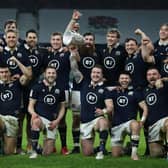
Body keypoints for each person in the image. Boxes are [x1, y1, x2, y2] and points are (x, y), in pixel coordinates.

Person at [73, 64, 113, 159]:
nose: (95, 74)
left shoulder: (105, 90)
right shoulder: (84, 83)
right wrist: (72, 54)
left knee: (103, 122)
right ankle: (96, 148)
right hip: (85, 122)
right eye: (94, 72)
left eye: (98, 73)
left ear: (102, 75)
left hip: (97, 120)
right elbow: (74, 69)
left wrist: (103, 111)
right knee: (87, 153)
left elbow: (110, 107)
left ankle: (101, 150)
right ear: (91, 74)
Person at [18, 29, 46, 154]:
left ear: (37, 39)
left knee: (32, 117)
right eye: (29, 37)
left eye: (34, 37)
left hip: (34, 90)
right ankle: (18, 146)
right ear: (26, 38)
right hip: (20, 89)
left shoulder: (40, 53)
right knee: (20, 118)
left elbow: (44, 70)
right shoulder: (20, 51)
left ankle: (30, 144)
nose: (32, 39)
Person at [28, 66, 66, 159]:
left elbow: (62, 108)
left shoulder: (60, 89)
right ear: (45, 74)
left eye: (53, 73)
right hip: (40, 118)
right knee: (36, 122)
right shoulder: (37, 87)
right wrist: (33, 114)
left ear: (56, 75)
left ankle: (39, 148)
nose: (51, 75)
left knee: (47, 153)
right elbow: (30, 106)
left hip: (52, 122)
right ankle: (34, 150)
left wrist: (57, 121)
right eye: (49, 73)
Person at [43, 32, 71, 155]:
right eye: (53, 39)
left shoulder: (66, 53)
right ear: (50, 40)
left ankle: (64, 146)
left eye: (58, 40)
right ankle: (51, 144)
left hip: (62, 90)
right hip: (48, 90)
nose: (55, 42)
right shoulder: (47, 54)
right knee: (49, 117)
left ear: (61, 41)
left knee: (62, 119)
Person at [110, 71, 148, 160]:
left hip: (130, 123)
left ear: (130, 80)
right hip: (117, 125)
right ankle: (127, 149)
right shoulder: (113, 92)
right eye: (122, 78)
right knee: (116, 155)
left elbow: (145, 108)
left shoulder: (135, 92)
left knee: (135, 123)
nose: (124, 80)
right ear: (119, 80)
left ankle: (134, 154)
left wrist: (142, 121)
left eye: (126, 78)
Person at [0, 61, 30, 155]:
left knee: (8, 152)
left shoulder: (17, 83)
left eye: (6, 72)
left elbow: (28, 75)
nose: (4, 74)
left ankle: (3, 144)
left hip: (12, 120)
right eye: (1, 72)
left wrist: (17, 61)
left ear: (10, 73)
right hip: (0, 117)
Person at [143, 67, 168, 158]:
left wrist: (163, 80)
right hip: (153, 125)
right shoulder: (144, 91)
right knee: (156, 155)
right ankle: (164, 150)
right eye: (149, 75)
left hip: (165, 120)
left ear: (159, 75)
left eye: (154, 74)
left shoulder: (165, 85)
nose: (152, 77)